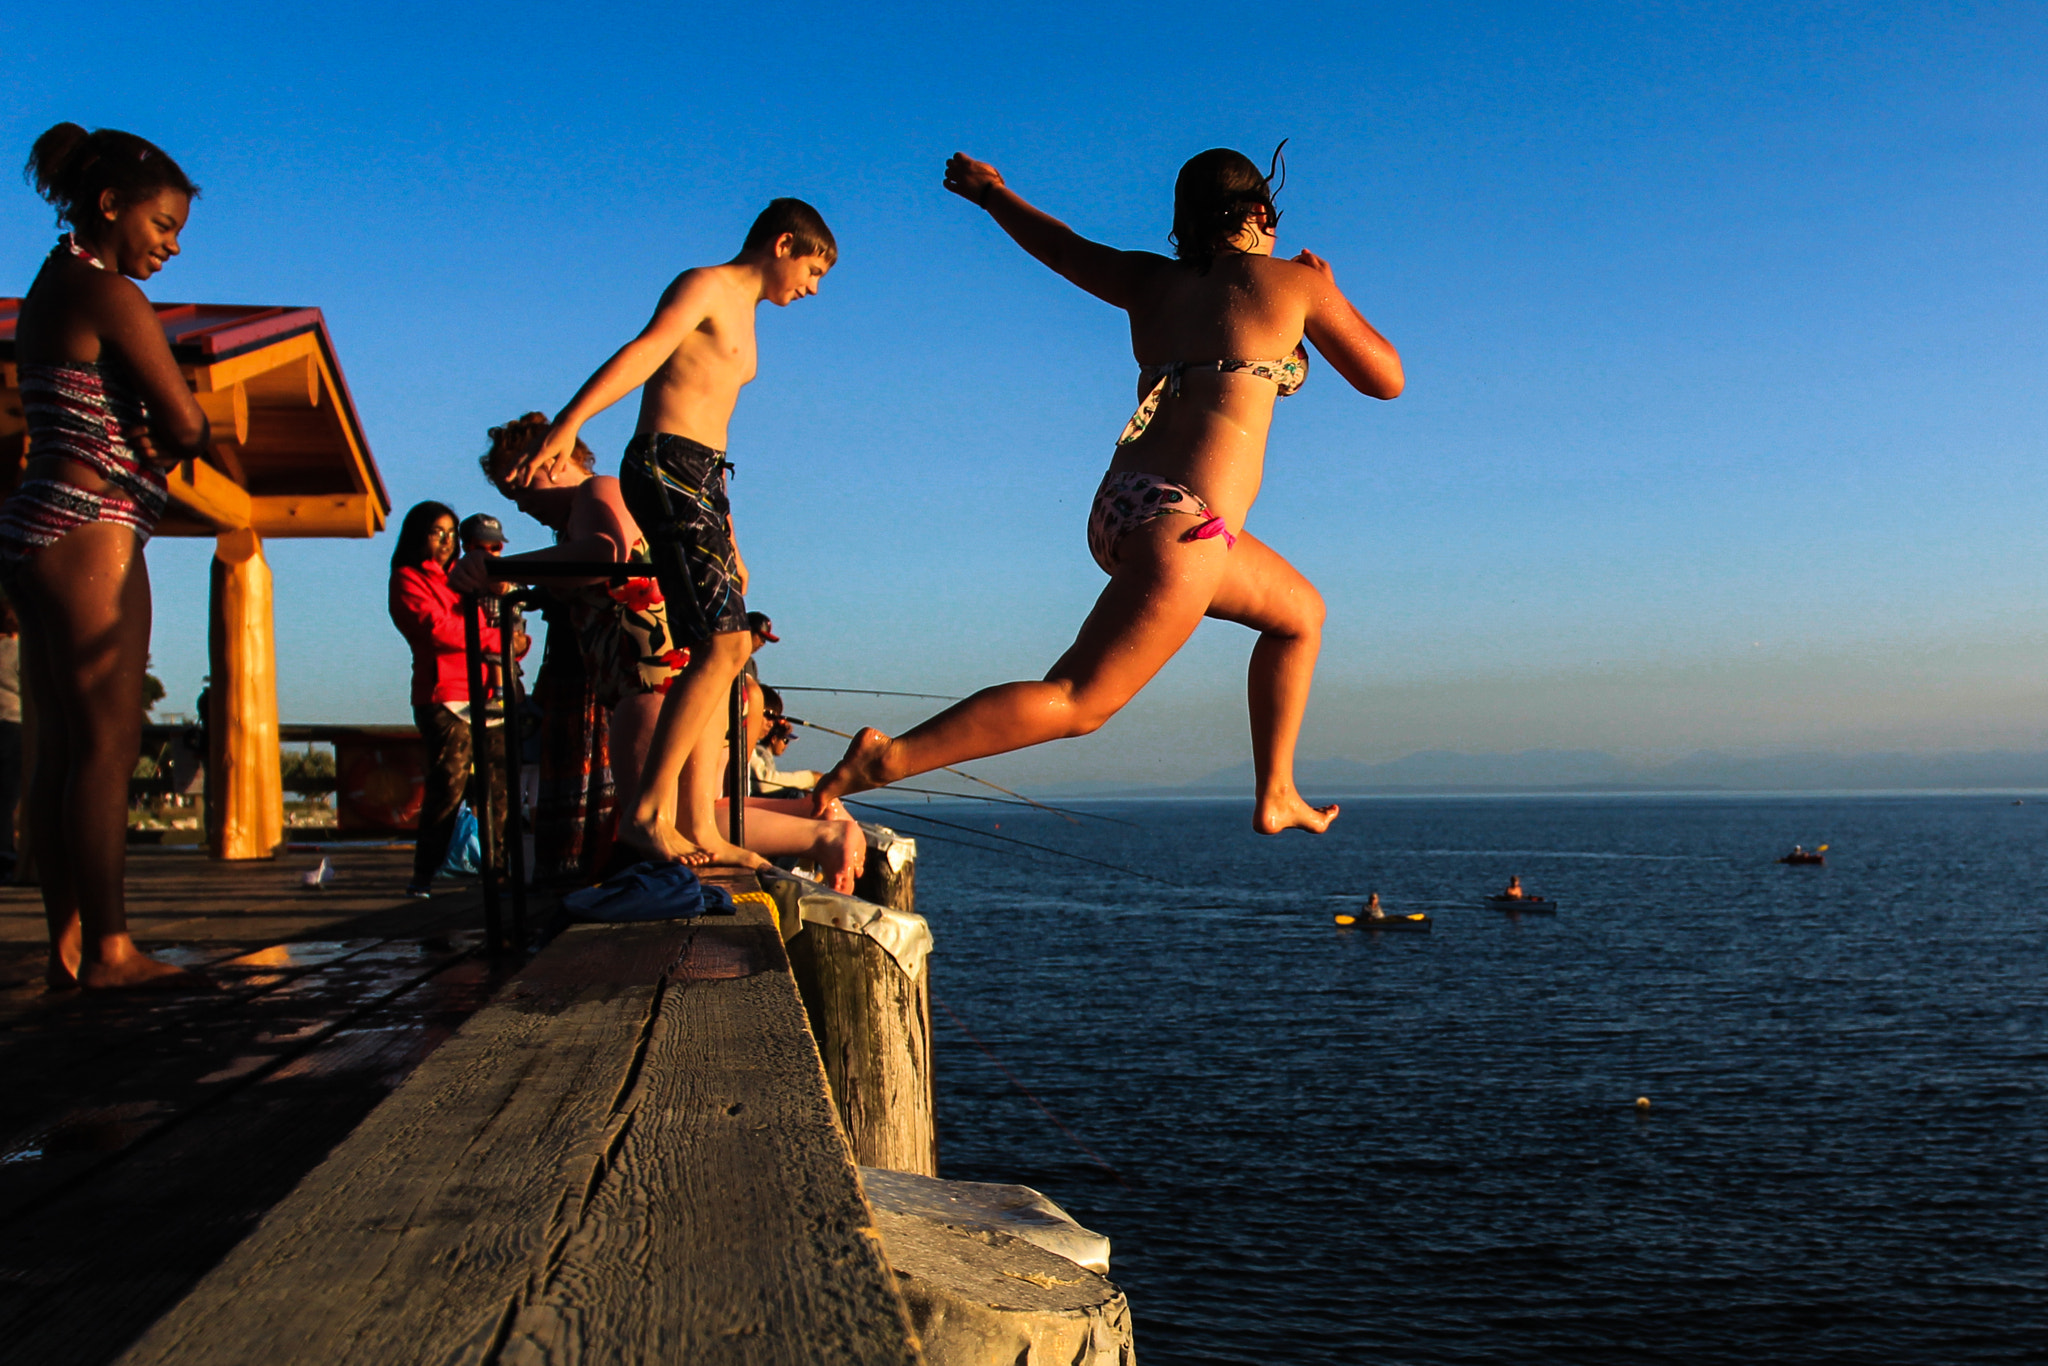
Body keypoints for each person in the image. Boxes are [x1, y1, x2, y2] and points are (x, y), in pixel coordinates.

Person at [813, 148, 1402, 833]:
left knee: (1300, 613)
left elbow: (1061, 249)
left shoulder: (1148, 280)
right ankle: (887, 759)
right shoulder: (1291, 283)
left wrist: (992, 195)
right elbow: (1385, 377)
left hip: (1128, 507)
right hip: (1187, 527)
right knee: (1079, 700)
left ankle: (1277, 792)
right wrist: (1326, 287)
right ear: (1262, 213)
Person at [505, 199, 837, 868]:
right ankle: (650, 814)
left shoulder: (746, 316)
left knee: (725, 650)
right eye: (814, 269)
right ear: (781, 244)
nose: (812, 287)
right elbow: (644, 353)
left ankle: (700, 825)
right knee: (720, 646)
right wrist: (567, 426)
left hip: (704, 478)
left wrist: (731, 539)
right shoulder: (706, 286)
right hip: (667, 466)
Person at [462, 415, 865, 892]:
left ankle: (819, 835)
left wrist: (500, 568)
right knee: (698, 826)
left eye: (521, 491)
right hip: (697, 682)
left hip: (650, 680)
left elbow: (604, 554)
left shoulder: (596, 492)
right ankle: (819, 828)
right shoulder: (631, 505)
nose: (523, 509)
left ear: (552, 462)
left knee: (654, 824)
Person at [3, 123, 209, 991]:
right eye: (162, 226)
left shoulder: (49, 285)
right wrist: (175, 423)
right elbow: (186, 423)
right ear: (109, 205)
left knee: (59, 748)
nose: (168, 246)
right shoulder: (111, 294)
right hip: (92, 525)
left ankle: (68, 948)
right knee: (108, 746)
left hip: (35, 519)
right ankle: (114, 951)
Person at [388, 500, 524, 897]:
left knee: (500, 787)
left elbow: (502, 621)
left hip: (491, 698)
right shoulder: (407, 578)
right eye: (437, 532)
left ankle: (498, 872)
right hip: (444, 696)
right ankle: (424, 876)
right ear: (418, 535)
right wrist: (501, 642)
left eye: (451, 533)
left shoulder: (470, 576)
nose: (447, 540)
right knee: (448, 786)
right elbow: (436, 629)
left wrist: (515, 642)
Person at [750, 685, 820, 796]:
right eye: (769, 715)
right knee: (794, 795)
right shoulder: (755, 751)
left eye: (774, 719)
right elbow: (763, 782)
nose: (771, 723)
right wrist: (811, 778)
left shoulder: (750, 749)